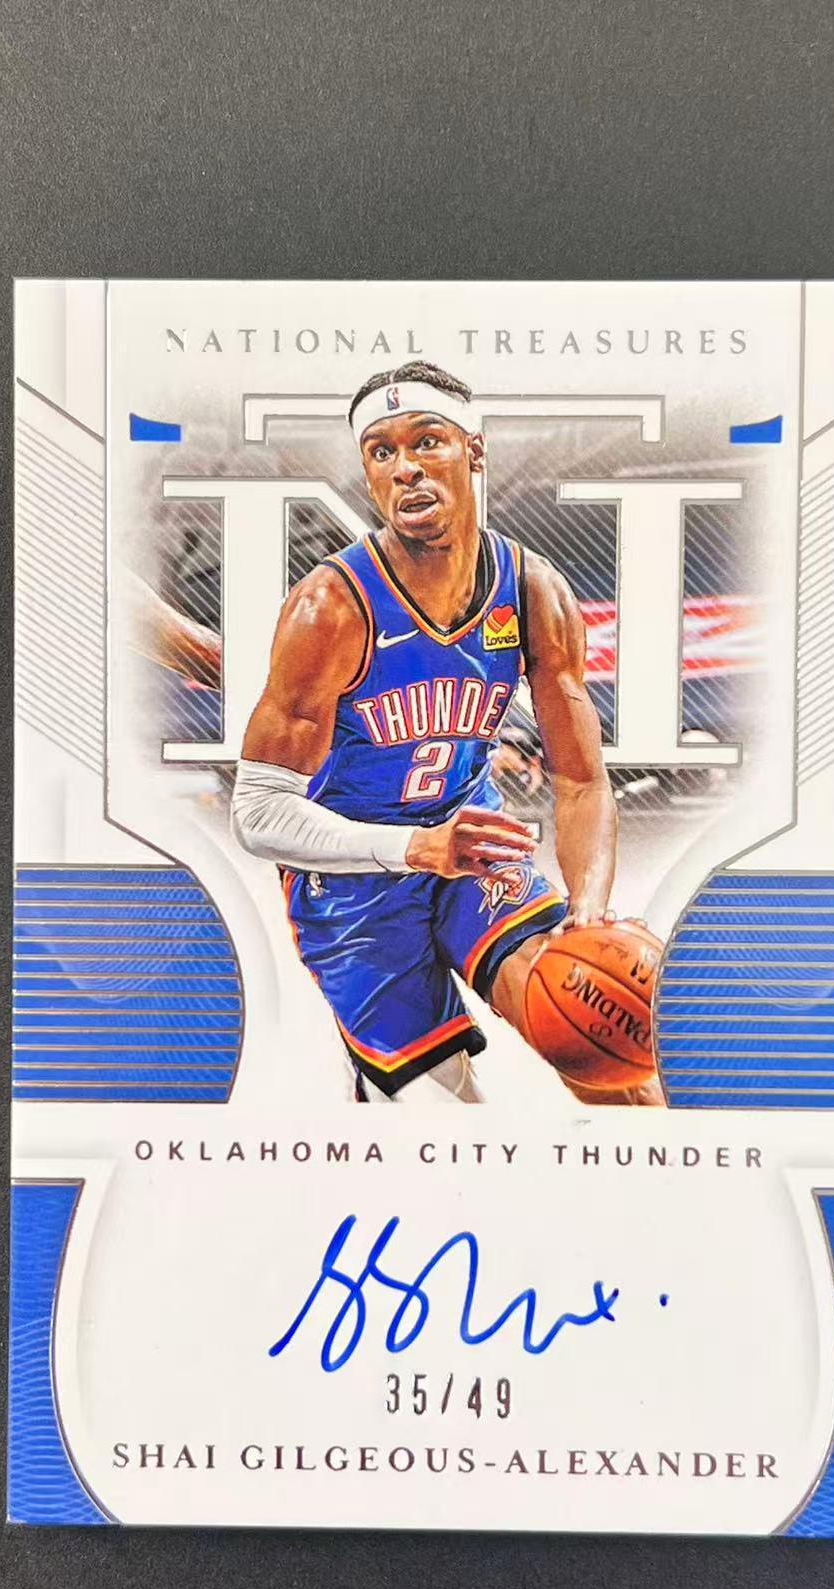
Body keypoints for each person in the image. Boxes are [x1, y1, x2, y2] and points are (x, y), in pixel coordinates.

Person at [231, 360, 659, 1106]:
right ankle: (380, 1087)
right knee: (445, 1128)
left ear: (474, 450)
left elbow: (581, 778)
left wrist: (589, 906)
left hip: (468, 846)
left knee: (606, 1047)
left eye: (426, 441)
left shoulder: (532, 591)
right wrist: (415, 848)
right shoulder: (330, 607)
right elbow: (257, 813)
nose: (405, 468)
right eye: (381, 452)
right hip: (353, 884)